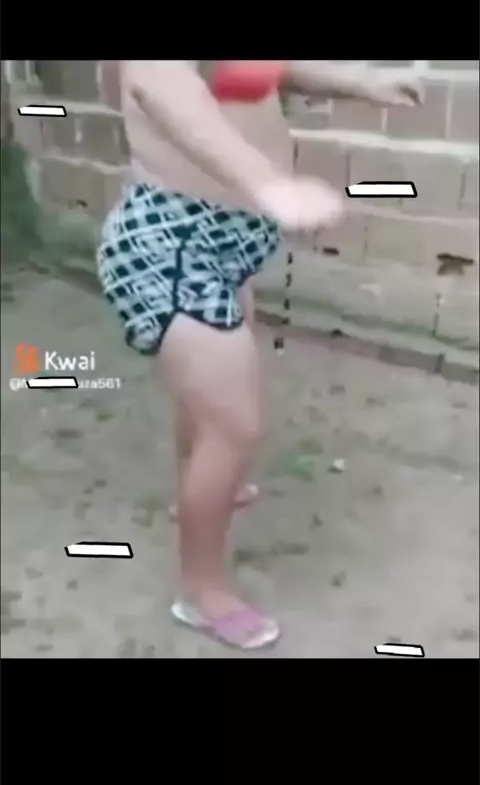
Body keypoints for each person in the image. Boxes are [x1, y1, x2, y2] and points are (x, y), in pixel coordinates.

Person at [97, 61, 422, 650]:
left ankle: (194, 491)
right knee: (236, 424)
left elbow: (265, 66)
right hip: (173, 247)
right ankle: (203, 591)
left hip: (231, 241)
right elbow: (159, 84)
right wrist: (268, 183)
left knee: (207, 401)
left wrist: (361, 82)